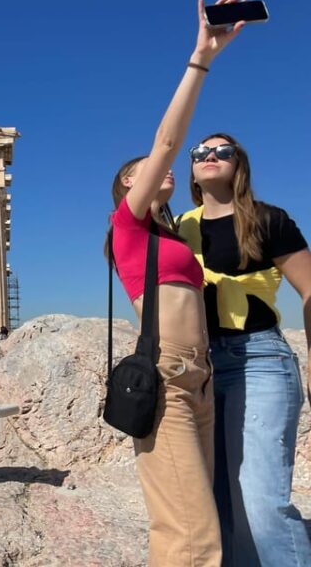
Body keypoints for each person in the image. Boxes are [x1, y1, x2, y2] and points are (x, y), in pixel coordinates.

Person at [107, 0, 246, 564]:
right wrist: (201, 58)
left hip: (201, 378)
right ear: (128, 186)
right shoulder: (127, 225)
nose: (160, 167)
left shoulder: (173, 238)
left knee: (193, 522)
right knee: (191, 533)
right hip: (165, 375)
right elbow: (168, 141)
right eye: (142, 170)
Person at [179, 132, 311, 565]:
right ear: (191, 170)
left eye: (223, 151)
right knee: (216, 502)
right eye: (200, 151)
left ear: (240, 164)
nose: (210, 155)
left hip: (260, 359)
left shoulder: (267, 219)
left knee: (260, 504)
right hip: (200, 366)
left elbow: (310, 290)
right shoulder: (181, 228)